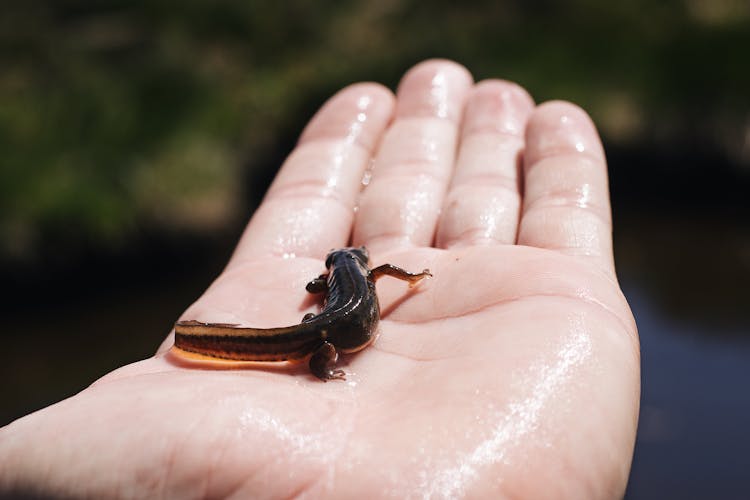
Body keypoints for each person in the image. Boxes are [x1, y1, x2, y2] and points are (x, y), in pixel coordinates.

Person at [0, 59, 639, 498]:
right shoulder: (358, 275)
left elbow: (332, 286)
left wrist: (349, 303)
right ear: (349, 263)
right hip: (327, 337)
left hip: (325, 332)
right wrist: (372, 310)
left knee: (313, 331)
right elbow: (372, 274)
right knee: (313, 338)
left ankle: (297, 351)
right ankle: (297, 356)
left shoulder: (341, 276)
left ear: (339, 265)